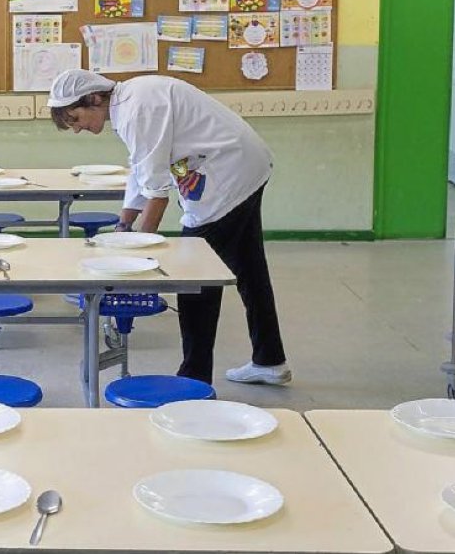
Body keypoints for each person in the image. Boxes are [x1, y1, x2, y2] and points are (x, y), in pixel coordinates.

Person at [47, 69, 290, 386]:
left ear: (93, 98)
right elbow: (142, 170)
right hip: (242, 165)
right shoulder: (130, 101)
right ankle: (270, 359)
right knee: (249, 268)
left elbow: (157, 194)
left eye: (76, 119)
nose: (78, 129)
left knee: (194, 277)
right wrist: (124, 223)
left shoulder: (137, 108)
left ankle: (194, 379)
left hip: (229, 173)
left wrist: (135, 255)